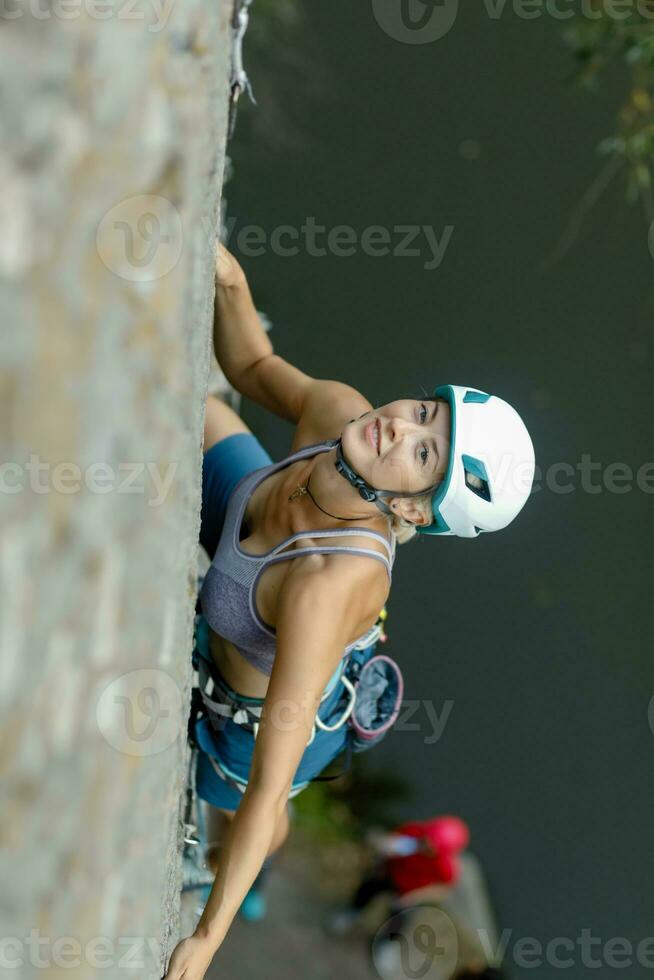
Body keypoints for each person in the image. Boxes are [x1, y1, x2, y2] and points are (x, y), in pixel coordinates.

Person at [163, 244, 535, 979]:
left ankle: (243, 863)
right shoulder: (343, 415)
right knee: (194, 404)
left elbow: (269, 776)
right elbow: (254, 370)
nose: (401, 430)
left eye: (425, 455)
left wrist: (204, 941)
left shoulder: (331, 581)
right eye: (425, 413)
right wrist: (229, 279)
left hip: (252, 719)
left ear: (409, 508)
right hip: (254, 521)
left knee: (253, 817)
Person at [325, 815, 470, 936]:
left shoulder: (445, 867)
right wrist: (383, 848)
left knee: (398, 921)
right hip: (389, 873)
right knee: (367, 889)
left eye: (431, 847)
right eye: (426, 839)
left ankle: (386, 944)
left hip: (408, 892)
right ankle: (352, 913)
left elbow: (442, 889)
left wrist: (414, 897)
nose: (424, 845)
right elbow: (390, 841)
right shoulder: (413, 832)